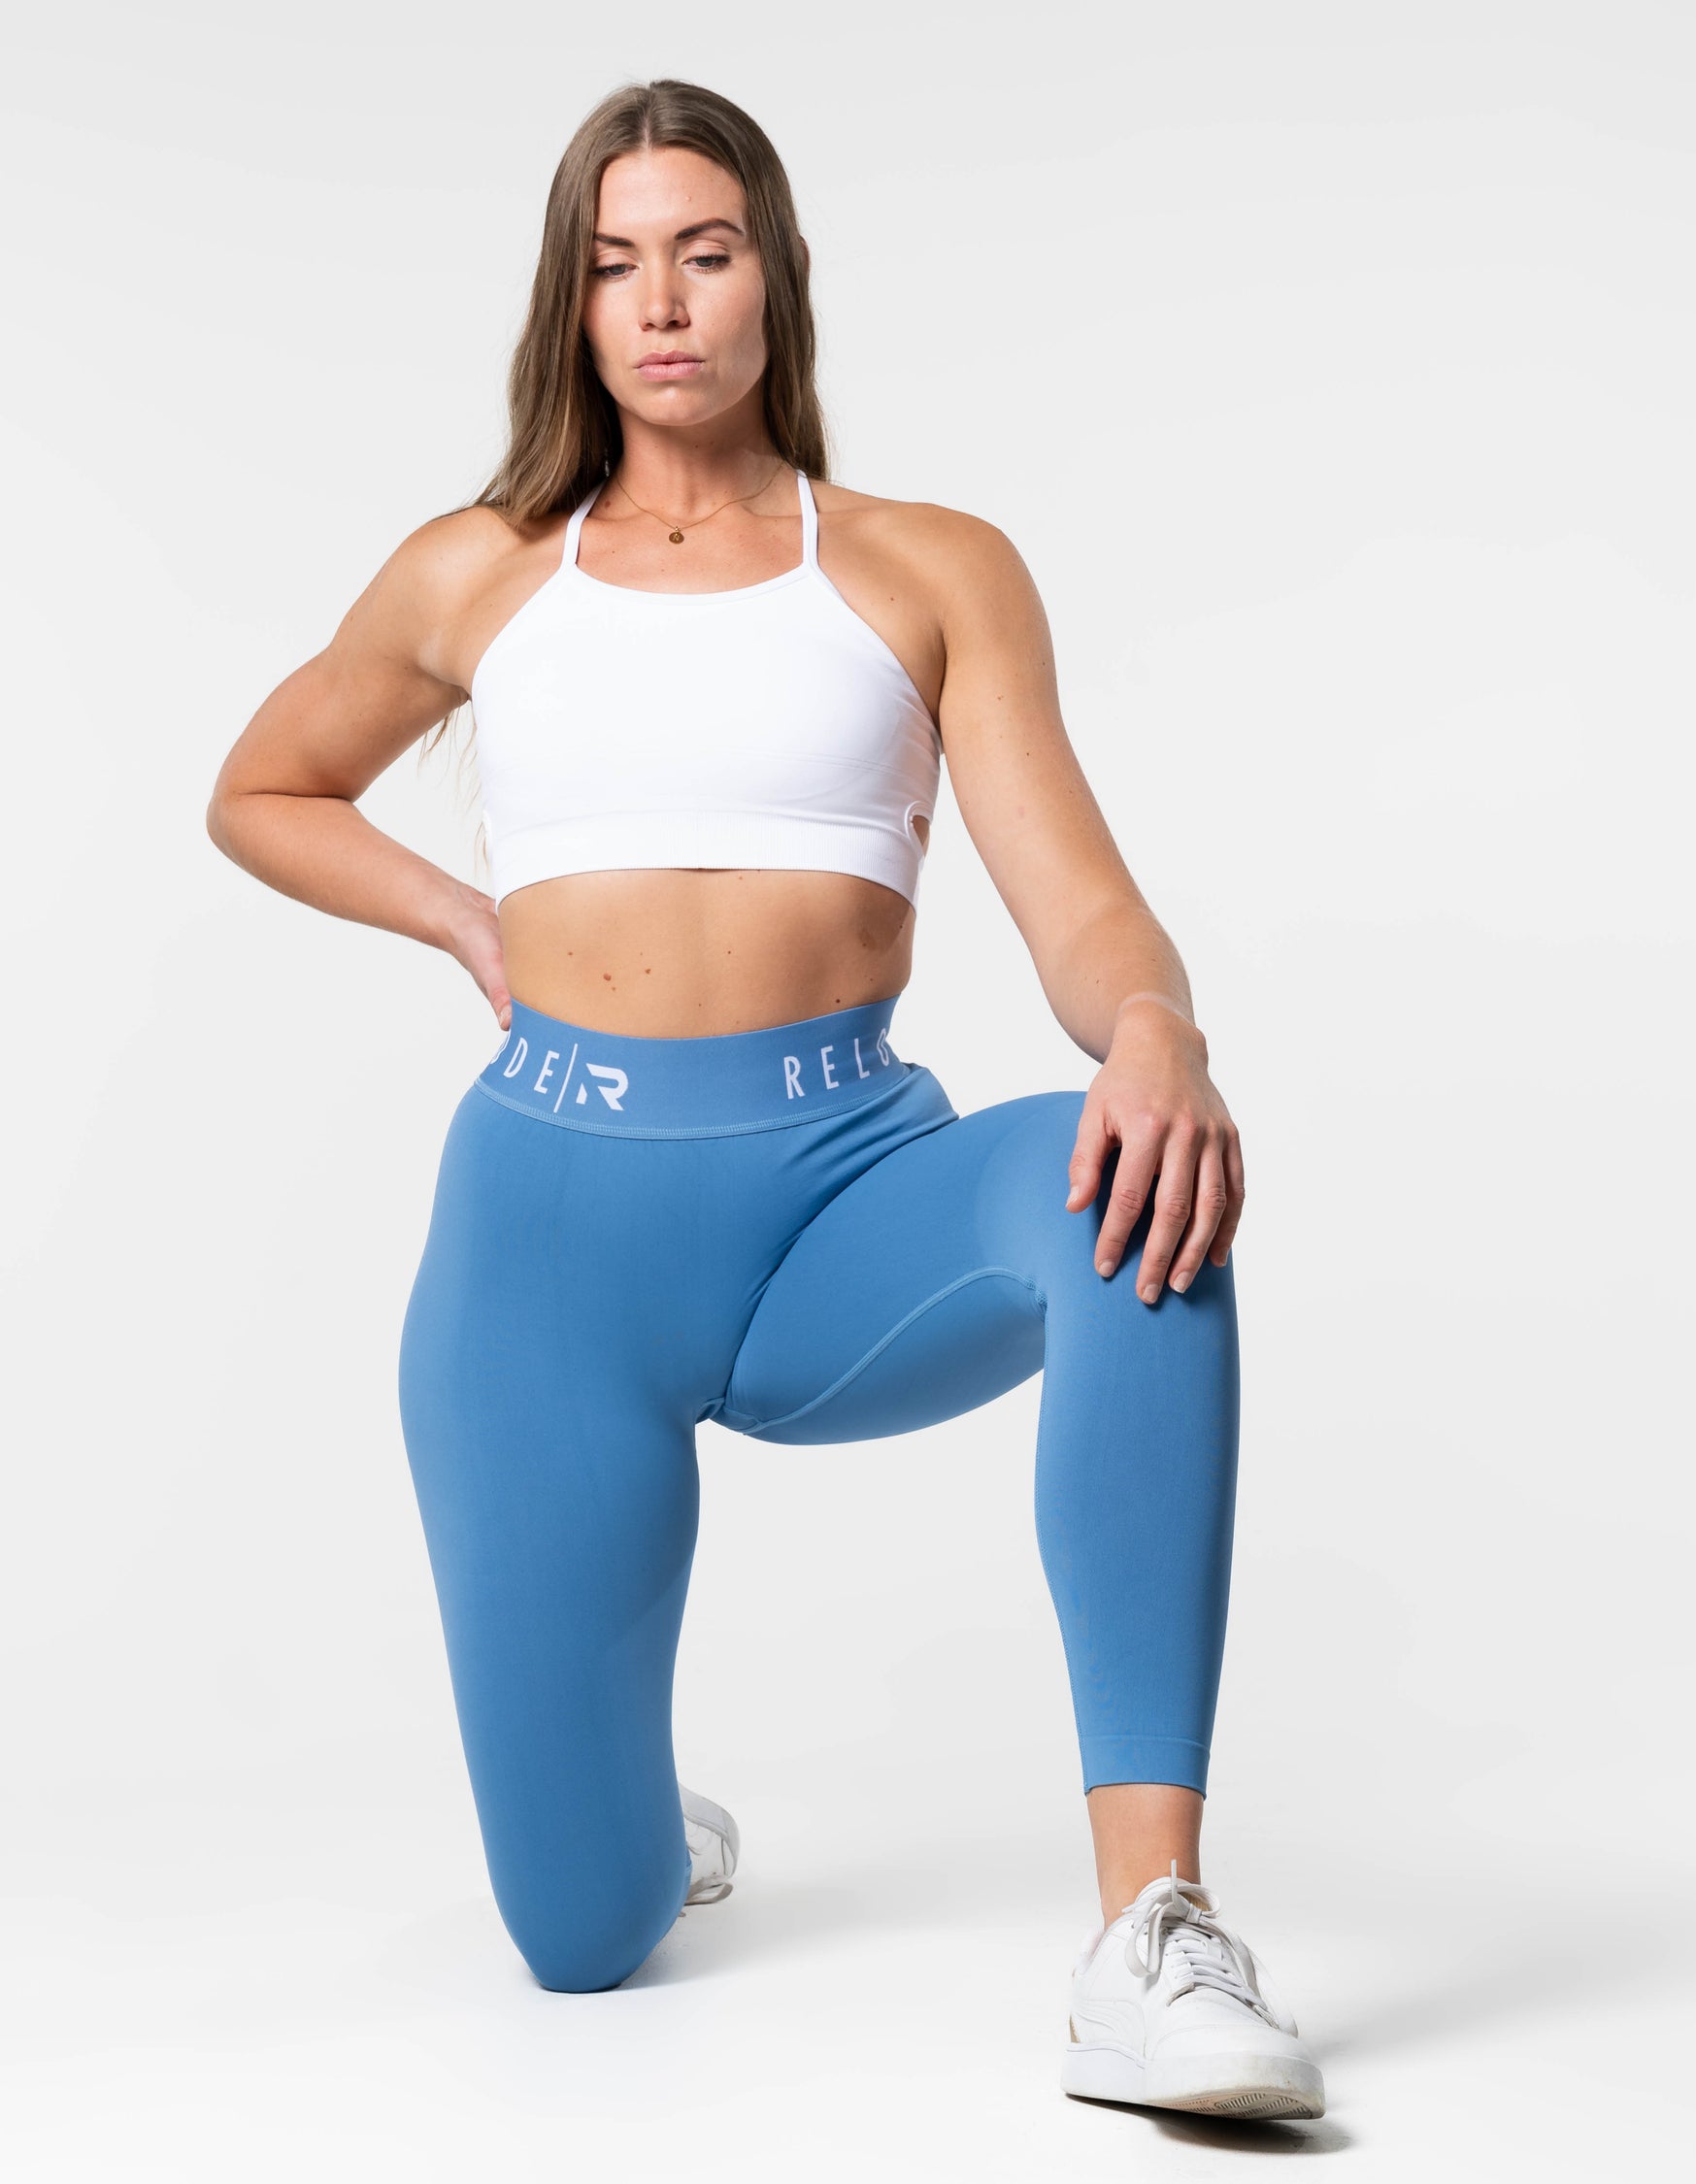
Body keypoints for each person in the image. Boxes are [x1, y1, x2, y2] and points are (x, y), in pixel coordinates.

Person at [205, 76, 1326, 2123]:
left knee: (1136, 1201)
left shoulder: (926, 567)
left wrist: (1157, 1025)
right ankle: (629, 1815)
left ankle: (1148, 1935)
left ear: (778, 274)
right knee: (579, 1940)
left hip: (842, 1210)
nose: (661, 303)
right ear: (570, 301)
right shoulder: (479, 571)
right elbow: (262, 788)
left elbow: (1078, 902)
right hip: (546, 1260)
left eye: (703, 253)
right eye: (615, 263)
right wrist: (467, 920)